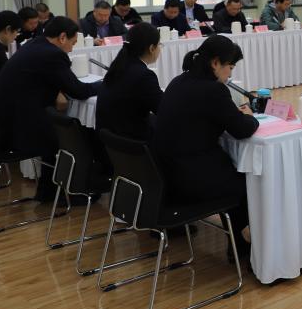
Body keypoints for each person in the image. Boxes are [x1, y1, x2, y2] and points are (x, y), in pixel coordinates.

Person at [152, 35, 259, 260]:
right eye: (230, 67)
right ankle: (242, 245)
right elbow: (241, 129)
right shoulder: (213, 90)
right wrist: (250, 116)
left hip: (164, 175)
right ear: (215, 63)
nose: (230, 74)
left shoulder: (178, 81)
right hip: (190, 180)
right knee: (248, 179)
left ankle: (239, 242)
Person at [0, 16, 101, 201]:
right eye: (72, 43)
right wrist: (106, 84)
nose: (71, 49)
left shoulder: (35, 44)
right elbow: (79, 91)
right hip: (18, 127)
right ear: (62, 37)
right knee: (76, 135)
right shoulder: (52, 54)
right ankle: (73, 191)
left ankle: (49, 191)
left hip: (3, 120)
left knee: (60, 125)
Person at [95, 23, 163, 142]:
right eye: (159, 45)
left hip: (109, 141)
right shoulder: (144, 75)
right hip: (132, 144)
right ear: (152, 48)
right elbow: (163, 109)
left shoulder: (118, 66)